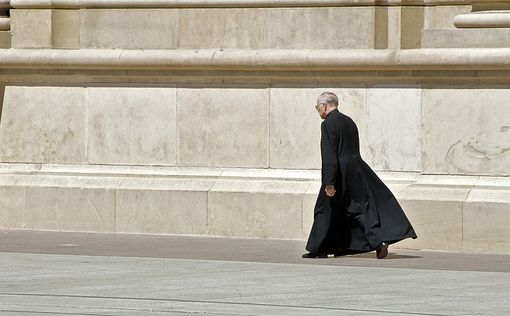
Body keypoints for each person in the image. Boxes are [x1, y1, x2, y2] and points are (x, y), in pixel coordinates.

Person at [303, 92, 417, 259]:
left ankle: (319, 249)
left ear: (325, 106)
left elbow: (330, 155)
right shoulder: (348, 121)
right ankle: (376, 243)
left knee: (324, 209)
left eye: (317, 108)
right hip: (356, 169)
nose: (318, 111)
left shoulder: (328, 124)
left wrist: (329, 182)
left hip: (339, 172)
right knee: (357, 209)